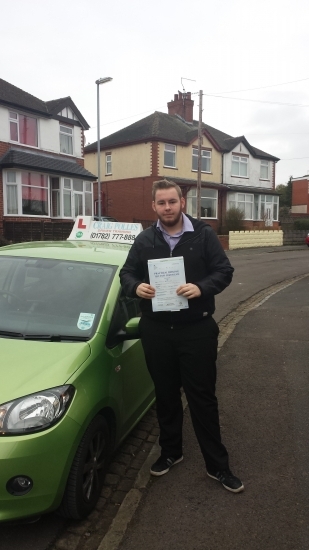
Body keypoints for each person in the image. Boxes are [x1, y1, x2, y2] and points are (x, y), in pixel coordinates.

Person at [119, 179, 244, 493]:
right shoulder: (145, 239)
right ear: (154, 206)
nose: (167, 208)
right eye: (161, 203)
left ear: (182, 202)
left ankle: (218, 466)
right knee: (165, 395)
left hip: (196, 329)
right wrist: (135, 287)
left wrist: (202, 288)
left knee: (202, 398)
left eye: (172, 202)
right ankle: (171, 452)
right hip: (157, 330)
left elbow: (223, 271)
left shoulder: (202, 235)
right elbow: (126, 273)